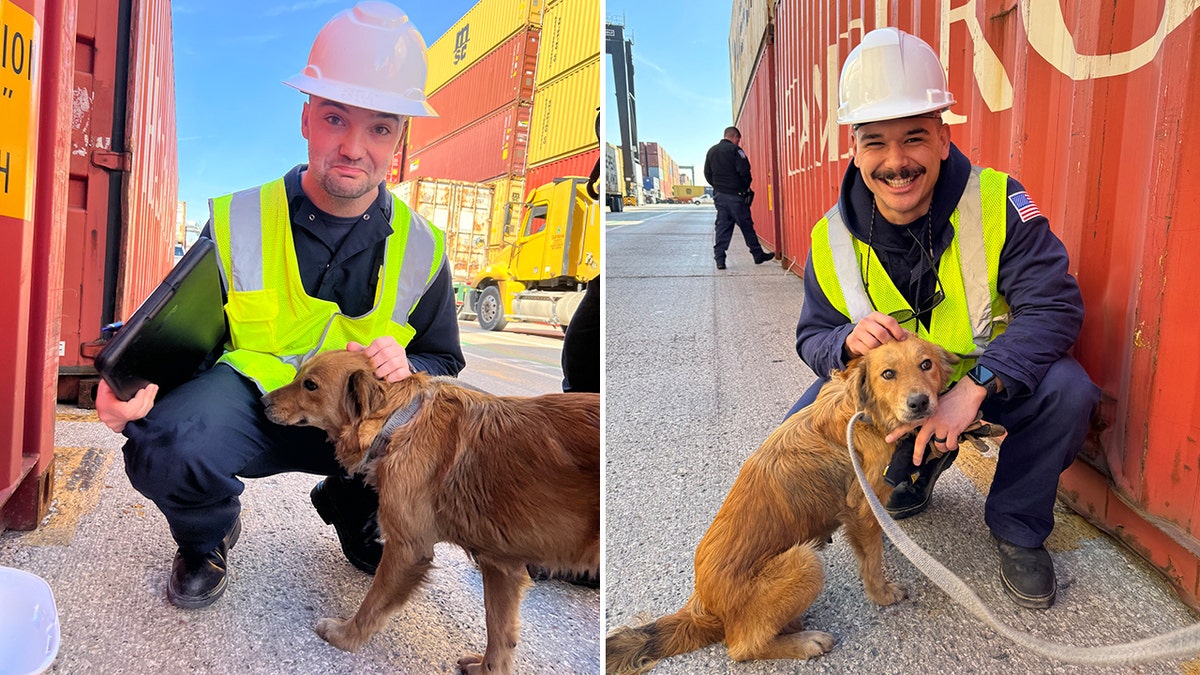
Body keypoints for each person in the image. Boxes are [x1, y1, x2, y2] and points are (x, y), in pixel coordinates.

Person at [94, 1, 465, 609]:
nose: (352, 146)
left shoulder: (423, 248)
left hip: (356, 427)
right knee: (167, 440)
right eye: (336, 118)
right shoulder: (241, 218)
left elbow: (444, 362)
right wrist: (126, 378)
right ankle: (206, 534)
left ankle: (351, 507)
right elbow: (173, 331)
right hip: (257, 407)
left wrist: (410, 367)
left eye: (379, 127)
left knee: (413, 481)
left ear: (399, 139)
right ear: (306, 119)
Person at [790, 27, 1099, 609]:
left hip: (989, 382)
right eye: (876, 142)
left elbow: (1055, 306)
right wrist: (842, 340)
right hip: (898, 394)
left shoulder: (998, 202)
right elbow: (812, 336)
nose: (896, 161)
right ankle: (912, 470)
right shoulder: (829, 239)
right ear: (854, 148)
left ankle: (1017, 526)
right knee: (802, 421)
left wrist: (976, 388)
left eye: (914, 138)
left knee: (1068, 389)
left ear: (942, 137)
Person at [702, 126, 774, 269]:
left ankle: (720, 259)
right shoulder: (735, 151)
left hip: (720, 197)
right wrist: (743, 188)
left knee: (722, 227)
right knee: (746, 225)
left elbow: (707, 173)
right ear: (735, 137)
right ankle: (757, 254)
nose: (738, 143)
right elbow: (745, 171)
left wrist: (718, 187)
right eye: (738, 140)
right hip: (735, 196)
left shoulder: (712, 151)